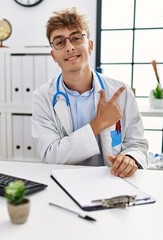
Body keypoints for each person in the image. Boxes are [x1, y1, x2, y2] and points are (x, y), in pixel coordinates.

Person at [31, 7, 148, 178]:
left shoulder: (120, 92)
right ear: (53, 55)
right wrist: (98, 124)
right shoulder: (42, 97)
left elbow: (137, 144)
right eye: (60, 42)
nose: (69, 47)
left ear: (90, 45)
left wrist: (130, 158)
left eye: (76, 38)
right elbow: (50, 155)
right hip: (64, 181)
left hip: (113, 179)